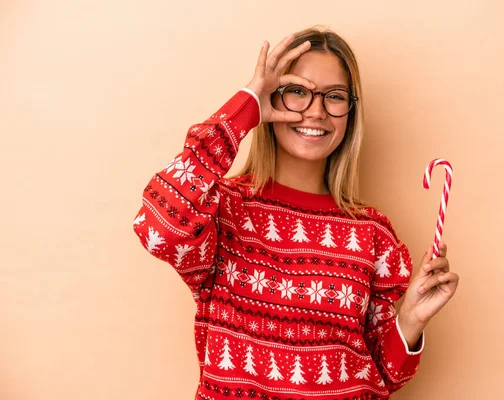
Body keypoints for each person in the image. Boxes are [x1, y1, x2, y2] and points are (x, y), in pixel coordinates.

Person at [133, 27, 459, 400]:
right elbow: (160, 226)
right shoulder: (223, 210)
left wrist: (410, 320)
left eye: (334, 97)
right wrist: (246, 108)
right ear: (273, 97)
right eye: (298, 92)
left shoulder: (371, 234)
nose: (317, 111)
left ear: (350, 111)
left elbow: (381, 379)